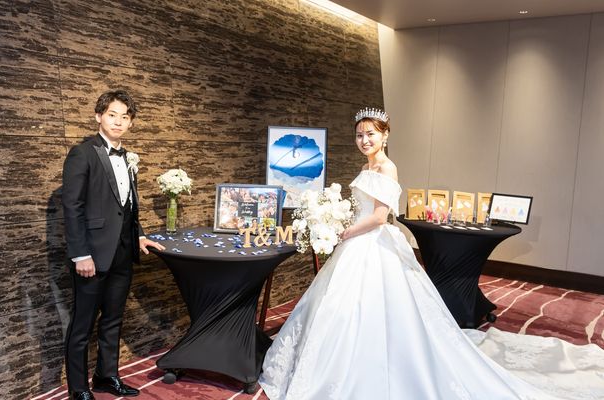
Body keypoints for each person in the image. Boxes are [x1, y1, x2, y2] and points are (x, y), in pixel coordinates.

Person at [258, 108, 604, 399]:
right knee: (340, 308)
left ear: (385, 136)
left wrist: (344, 232)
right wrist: (337, 222)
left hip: (372, 242)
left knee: (377, 310)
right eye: (360, 135)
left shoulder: (387, 168)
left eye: (371, 134)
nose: (364, 140)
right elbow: (363, 210)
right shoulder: (366, 169)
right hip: (358, 242)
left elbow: (379, 217)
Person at [62, 90, 165, 400]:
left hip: (122, 252)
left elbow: (127, 206)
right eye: (112, 115)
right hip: (91, 255)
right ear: (99, 116)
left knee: (113, 319)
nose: (118, 121)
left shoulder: (129, 157)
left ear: (131, 123)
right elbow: (72, 206)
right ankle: (78, 389)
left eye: (125, 117)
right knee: (82, 325)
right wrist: (80, 254)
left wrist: (139, 235)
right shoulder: (83, 153)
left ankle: (106, 376)